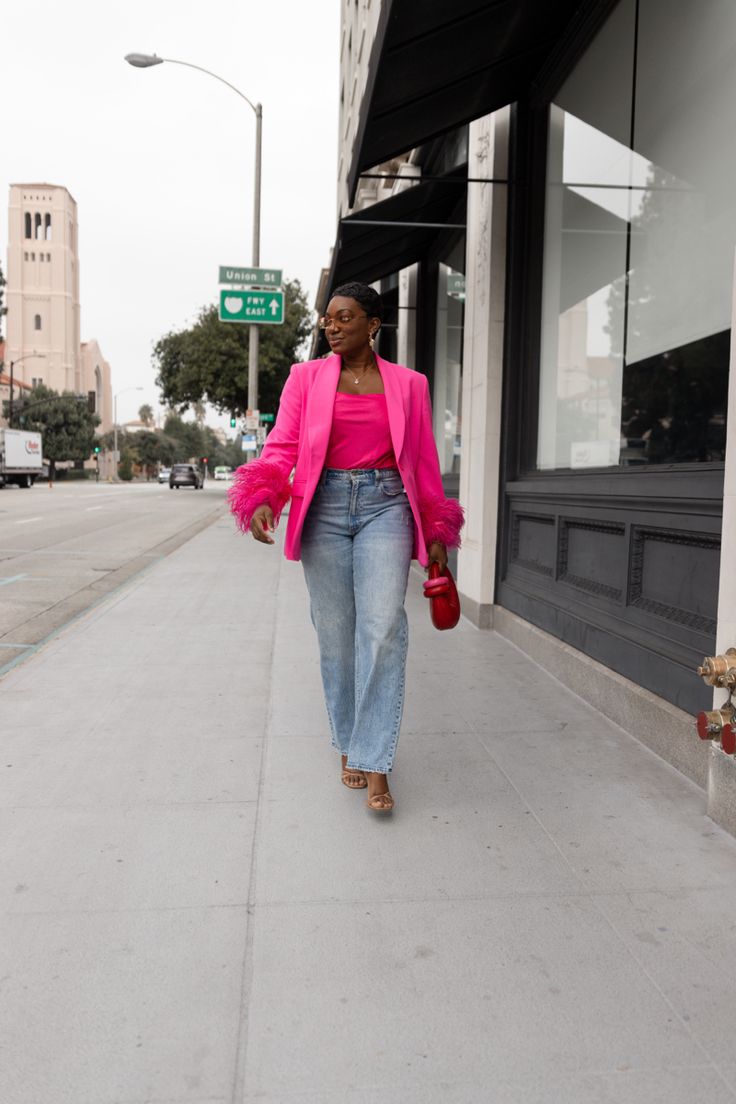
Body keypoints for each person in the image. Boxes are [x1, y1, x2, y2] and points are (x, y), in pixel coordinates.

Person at [229, 282, 463, 814]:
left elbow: (424, 463)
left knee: (382, 629)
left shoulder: (409, 385)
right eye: (327, 320)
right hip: (326, 508)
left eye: (344, 318)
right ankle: (348, 743)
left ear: (372, 323)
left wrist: (436, 539)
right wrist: (264, 494)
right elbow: (283, 445)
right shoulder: (306, 378)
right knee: (336, 637)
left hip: (387, 505)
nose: (331, 327)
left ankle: (376, 760)